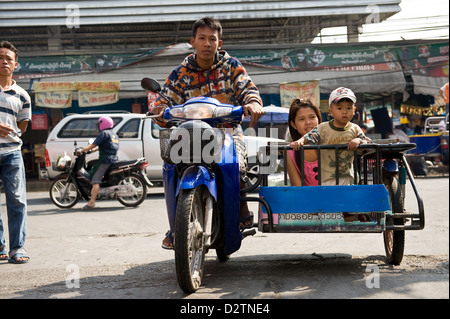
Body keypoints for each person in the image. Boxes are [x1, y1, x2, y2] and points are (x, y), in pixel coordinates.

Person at [151, 17, 264, 249]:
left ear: (219, 43)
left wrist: (252, 102)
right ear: (192, 41)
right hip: (189, 134)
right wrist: (160, 110)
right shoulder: (179, 73)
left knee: (238, 166)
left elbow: (248, 88)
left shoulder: (232, 66)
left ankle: (241, 208)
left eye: (212, 39)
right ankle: (176, 228)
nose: (206, 43)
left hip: (227, 133)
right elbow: (164, 98)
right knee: (171, 166)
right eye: (201, 38)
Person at [290, 87, 367, 186]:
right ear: (330, 111)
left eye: (349, 108)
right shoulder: (323, 128)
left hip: (349, 179)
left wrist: (359, 140)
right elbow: (309, 136)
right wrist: (300, 142)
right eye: (339, 108)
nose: (344, 111)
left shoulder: (355, 128)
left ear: (354, 110)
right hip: (327, 180)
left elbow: (365, 142)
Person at [0, 41, 31, 264]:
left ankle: (17, 248)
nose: (4, 62)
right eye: (0, 58)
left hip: (12, 153)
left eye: (8, 59)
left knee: (17, 201)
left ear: (15, 64)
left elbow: (22, 126)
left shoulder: (22, 95)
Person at [76, 116, 119, 210]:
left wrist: (82, 150)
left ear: (103, 123)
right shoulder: (113, 134)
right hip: (113, 158)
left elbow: (94, 144)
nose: (98, 126)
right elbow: (105, 146)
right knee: (95, 168)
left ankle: (92, 202)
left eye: (99, 123)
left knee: (95, 178)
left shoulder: (103, 133)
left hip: (105, 160)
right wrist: (93, 150)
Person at [285, 98, 322, 186]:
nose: (308, 122)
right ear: (293, 124)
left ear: (318, 119)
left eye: (312, 117)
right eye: (302, 119)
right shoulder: (290, 151)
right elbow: (298, 187)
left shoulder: (330, 140)